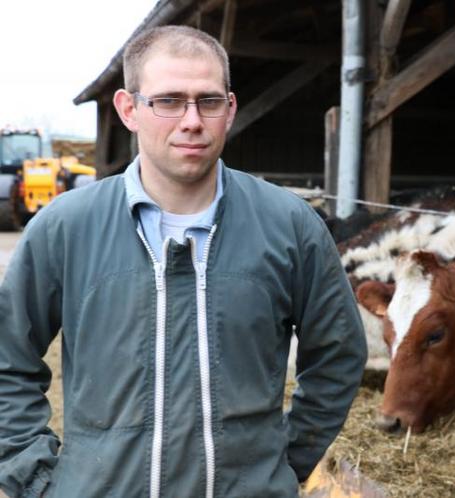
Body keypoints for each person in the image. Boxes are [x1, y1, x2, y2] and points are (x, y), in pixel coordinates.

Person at [0, 25, 367, 498]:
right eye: (168, 101)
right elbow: (8, 357)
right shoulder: (65, 227)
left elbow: (338, 352)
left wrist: (281, 461)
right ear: (129, 109)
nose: (192, 120)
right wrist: (37, 477)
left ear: (229, 110)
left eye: (208, 101)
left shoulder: (290, 225)